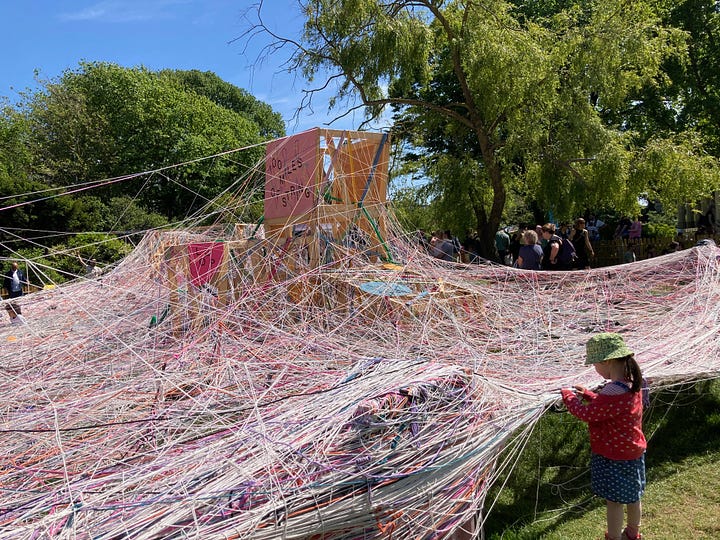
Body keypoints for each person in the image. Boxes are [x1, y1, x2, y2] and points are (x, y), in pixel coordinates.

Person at [561, 333, 647, 540]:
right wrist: (590, 396)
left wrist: (569, 397)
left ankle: (615, 537)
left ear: (606, 361)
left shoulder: (611, 391)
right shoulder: (631, 384)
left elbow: (588, 414)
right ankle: (633, 533)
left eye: (595, 364)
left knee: (614, 502)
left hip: (614, 456)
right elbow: (610, 408)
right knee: (633, 498)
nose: (594, 369)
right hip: (633, 452)